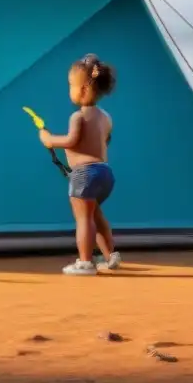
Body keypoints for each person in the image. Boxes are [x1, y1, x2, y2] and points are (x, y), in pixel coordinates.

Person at [39, 54, 121, 276]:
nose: (70, 91)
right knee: (95, 215)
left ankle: (84, 262)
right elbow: (105, 140)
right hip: (105, 174)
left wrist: (49, 140)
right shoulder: (106, 117)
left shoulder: (77, 117)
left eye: (71, 86)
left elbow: (71, 141)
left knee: (83, 218)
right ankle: (110, 255)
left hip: (84, 174)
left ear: (84, 89)